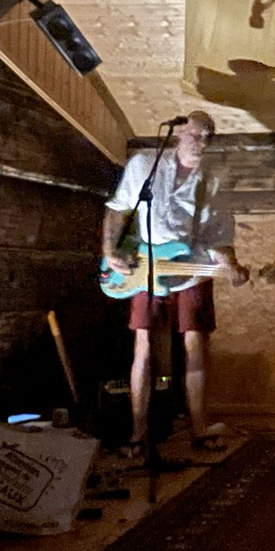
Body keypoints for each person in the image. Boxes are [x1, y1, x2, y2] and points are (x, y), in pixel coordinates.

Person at [102, 111, 249, 457]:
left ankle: (199, 427)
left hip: (192, 267)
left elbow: (219, 237)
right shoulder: (144, 166)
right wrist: (110, 251)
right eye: (198, 135)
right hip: (147, 265)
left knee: (194, 346)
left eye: (209, 137)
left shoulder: (212, 182)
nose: (203, 143)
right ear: (180, 132)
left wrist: (231, 267)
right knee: (143, 346)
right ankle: (138, 433)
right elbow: (118, 209)